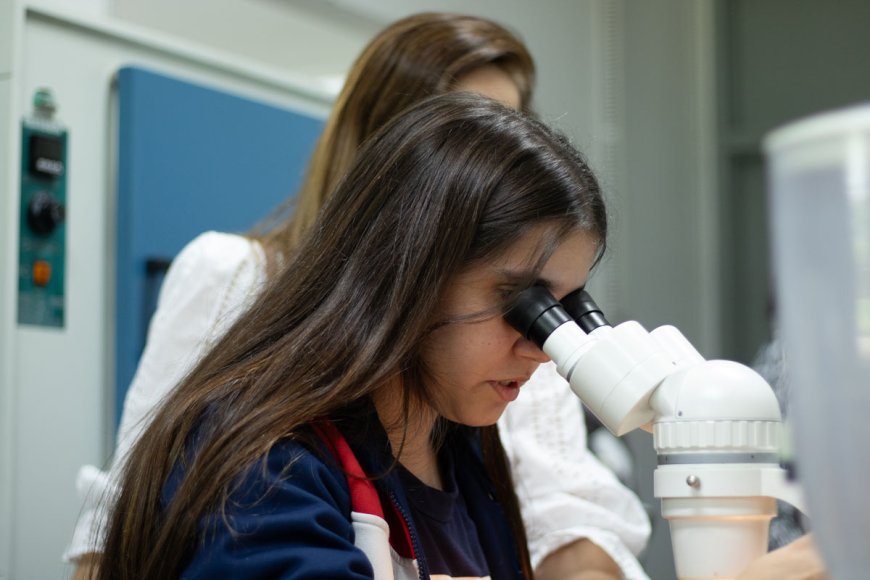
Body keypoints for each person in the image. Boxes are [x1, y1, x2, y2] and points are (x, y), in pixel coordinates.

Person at [66, 12, 650, 580]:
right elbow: (123, 521)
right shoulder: (268, 459)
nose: (545, 347)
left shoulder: (462, 442)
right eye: (462, 133)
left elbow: (568, 512)